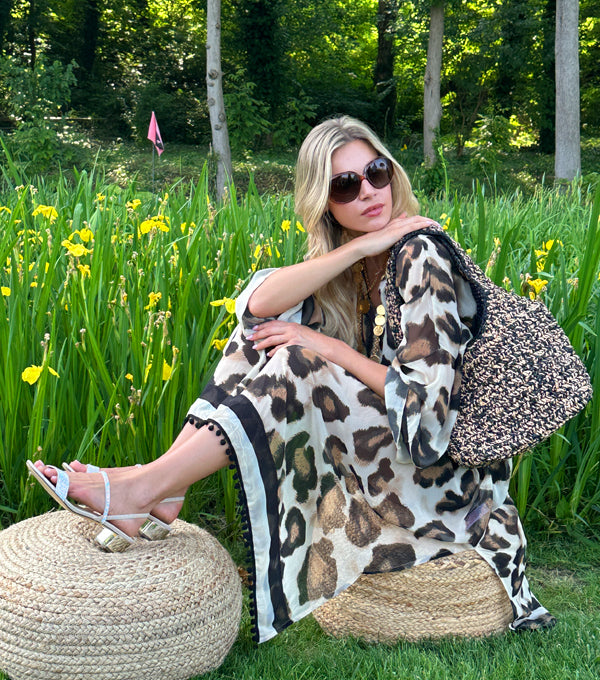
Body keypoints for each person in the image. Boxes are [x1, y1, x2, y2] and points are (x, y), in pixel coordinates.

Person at [29, 115, 555, 643]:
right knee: (260, 336)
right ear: (324, 204)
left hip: (440, 480)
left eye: (376, 172)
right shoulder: (361, 259)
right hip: (389, 453)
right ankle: (166, 485)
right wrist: (356, 249)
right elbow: (257, 307)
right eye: (345, 185)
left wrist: (327, 348)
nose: (368, 191)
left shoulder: (422, 255)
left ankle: (146, 487)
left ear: (392, 171)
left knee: (299, 357)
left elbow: (427, 418)